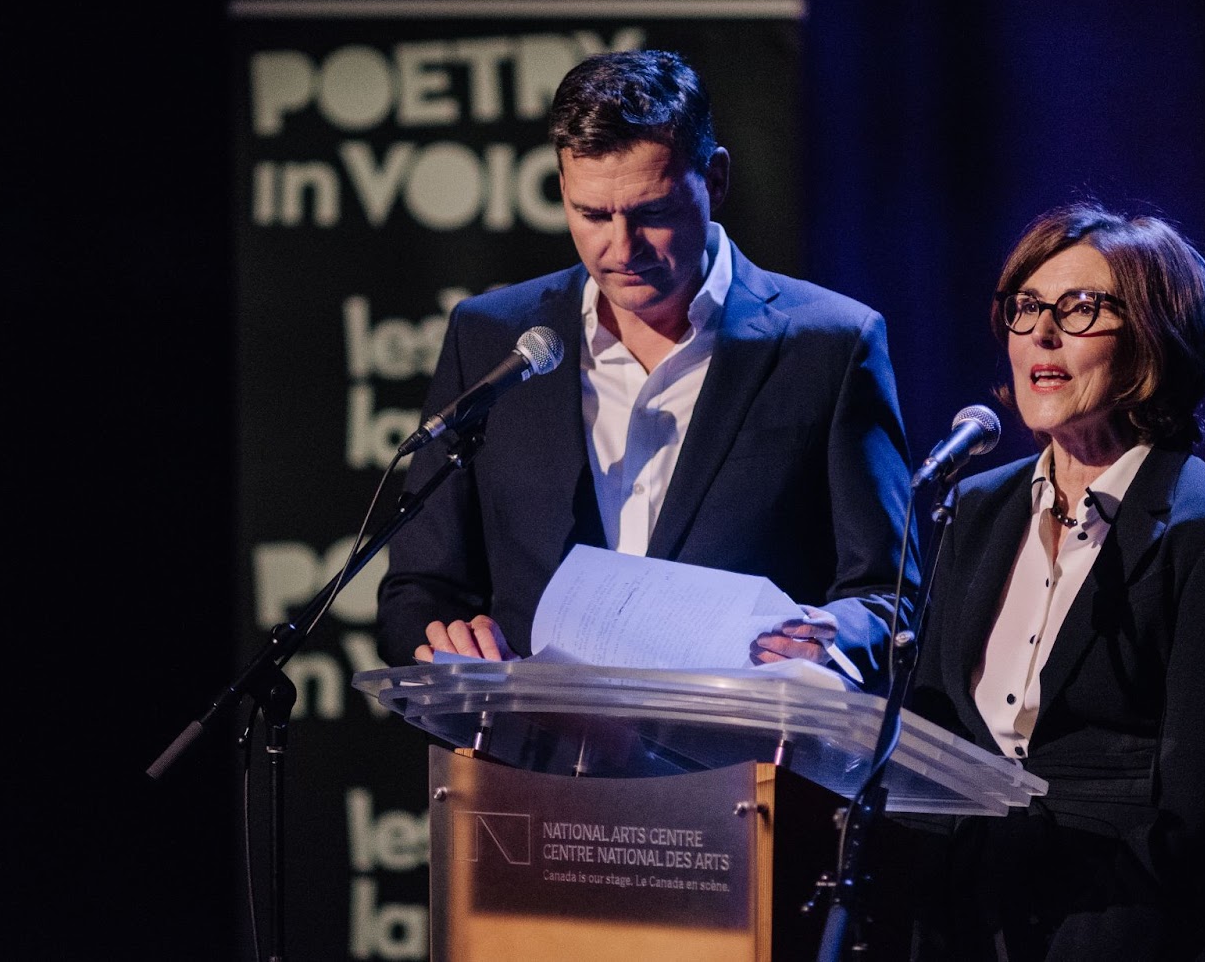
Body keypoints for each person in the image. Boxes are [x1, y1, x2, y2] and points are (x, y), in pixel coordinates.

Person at [375, 49, 919, 692]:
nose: (620, 248)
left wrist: (822, 643)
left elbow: (887, 598)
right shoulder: (494, 335)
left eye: (652, 213)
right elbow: (420, 586)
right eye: (592, 214)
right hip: (531, 763)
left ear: (714, 179)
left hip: (738, 764)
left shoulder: (828, 344)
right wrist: (444, 635)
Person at [906, 203, 1205, 960]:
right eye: (1027, 308)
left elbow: (1196, 816)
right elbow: (940, 729)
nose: (1042, 334)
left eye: (1080, 309)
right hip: (975, 926)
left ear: (1154, 337)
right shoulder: (977, 506)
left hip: (1134, 927)